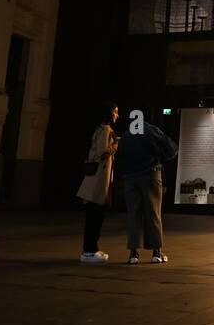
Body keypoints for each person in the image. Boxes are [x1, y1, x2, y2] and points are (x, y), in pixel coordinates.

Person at [115, 108, 178, 264]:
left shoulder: (126, 135)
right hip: (150, 175)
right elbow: (171, 149)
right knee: (153, 213)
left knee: (133, 215)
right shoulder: (150, 130)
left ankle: (133, 254)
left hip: (130, 178)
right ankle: (156, 252)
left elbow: (120, 156)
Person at [75, 102, 119, 263]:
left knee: (94, 216)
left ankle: (92, 249)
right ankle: (89, 251)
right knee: (95, 217)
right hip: (97, 180)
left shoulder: (100, 129)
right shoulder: (106, 130)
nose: (117, 115)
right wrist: (115, 145)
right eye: (115, 112)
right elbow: (102, 152)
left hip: (95, 180)